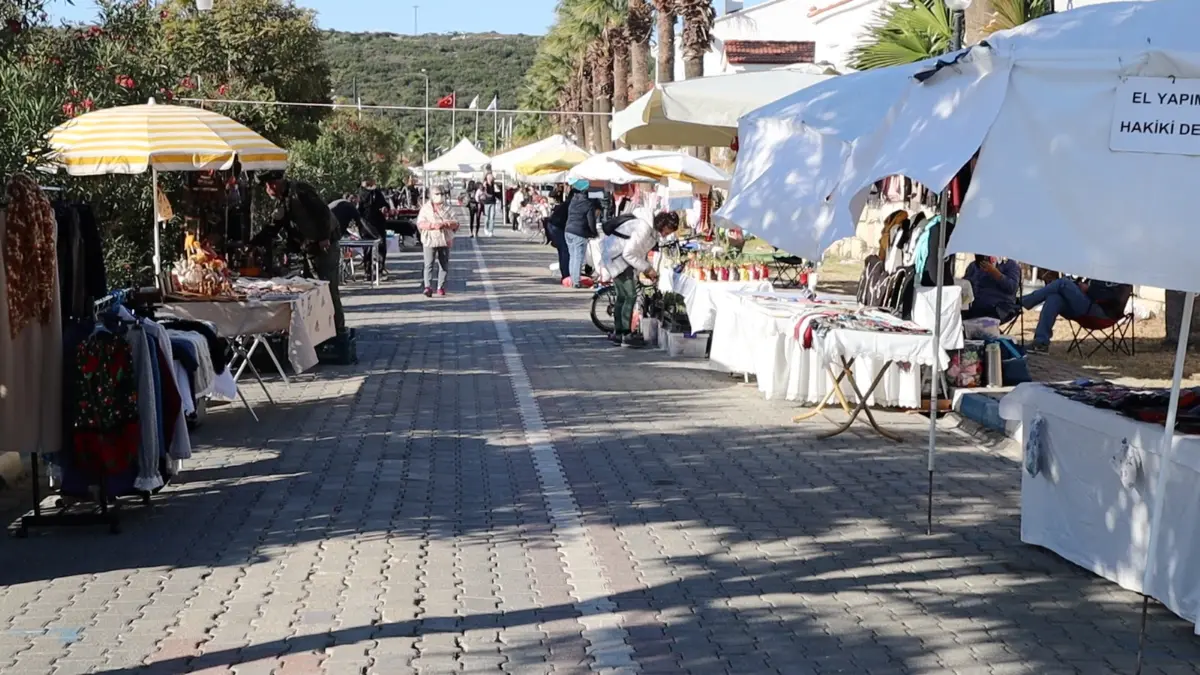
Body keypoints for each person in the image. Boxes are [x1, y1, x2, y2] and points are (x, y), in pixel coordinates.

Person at [253, 172, 345, 336]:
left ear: (273, 184)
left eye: (267, 186)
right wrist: (253, 243)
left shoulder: (300, 191)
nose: (267, 190)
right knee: (313, 291)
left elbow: (322, 211)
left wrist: (324, 237)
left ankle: (337, 331)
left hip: (325, 246)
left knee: (328, 289)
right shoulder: (284, 201)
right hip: (310, 249)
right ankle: (320, 332)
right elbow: (273, 226)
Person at [603, 209, 680, 348]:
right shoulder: (644, 228)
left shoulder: (650, 230)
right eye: (667, 231)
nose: (665, 235)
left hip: (615, 256)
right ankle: (626, 335)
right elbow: (629, 253)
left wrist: (645, 268)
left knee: (622, 297)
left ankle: (618, 333)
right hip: (618, 259)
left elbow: (639, 252)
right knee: (630, 296)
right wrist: (647, 268)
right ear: (662, 225)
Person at [1020, 276, 1124, 353]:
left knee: (1062, 283)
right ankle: (1040, 343)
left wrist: (1089, 289)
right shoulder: (1098, 271)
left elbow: (1115, 300)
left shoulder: (1124, 278)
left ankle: (1020, 303)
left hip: (1102, 313)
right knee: (1054, 298)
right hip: (1085, 307)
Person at [417, 187, 458, 297]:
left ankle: (441, 287)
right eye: (437, 193)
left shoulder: (448, 208)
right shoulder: (425, 208)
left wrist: (446, 224)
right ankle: (427, 287)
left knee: (443, 264)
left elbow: (456, 223)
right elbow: (420, 223)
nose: (439, 196)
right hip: (430, 239)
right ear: (431, 195)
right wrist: (431, 225)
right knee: (428, 264)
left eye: (441, 193)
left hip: (444, 239)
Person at [962, 255, 1021, 321]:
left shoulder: (1009, 264)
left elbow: (1012, 288)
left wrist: (994, 272)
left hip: (998, 307)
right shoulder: (973, 266)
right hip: (974, 305)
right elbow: (966, 284)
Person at [564, 179, 599, 288]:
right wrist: (593, 232)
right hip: (579, 233)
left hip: (568, 230)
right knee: (578, 258)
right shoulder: (588, 204)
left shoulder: (573, 201)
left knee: (572, 256)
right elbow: (591, 221)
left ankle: (572, 279)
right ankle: (576, 282)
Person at [357, 178, 390, 277]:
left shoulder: (377, 194)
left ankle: (379, 269)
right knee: (367, 249)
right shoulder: (361, 195)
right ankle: (368, 271)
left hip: (378, 224)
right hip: (365, 225)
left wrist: (385, 208)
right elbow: (358, 210)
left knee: (380, 247)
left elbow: (385, 204)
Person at [545, 192, 572, 284]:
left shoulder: (566, 203)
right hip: (556, 226)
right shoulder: (571, 205)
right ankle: (566, 275)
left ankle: (565, 274)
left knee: (562, 250)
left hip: (553, 225)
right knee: (565, 250)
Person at [482, 172, 500, 237]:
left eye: (491, 177)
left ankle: (491, 231)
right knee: (487, 217)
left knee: (492, 217)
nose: (490, 178)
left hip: (493, 202)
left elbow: (496, 193)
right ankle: (486, 228)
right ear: (486, 178)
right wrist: (484, 186)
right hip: (486, 202)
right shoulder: (485, 184)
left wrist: (497, 189)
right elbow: (483, 192)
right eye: (489, 177)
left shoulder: (494, 185)